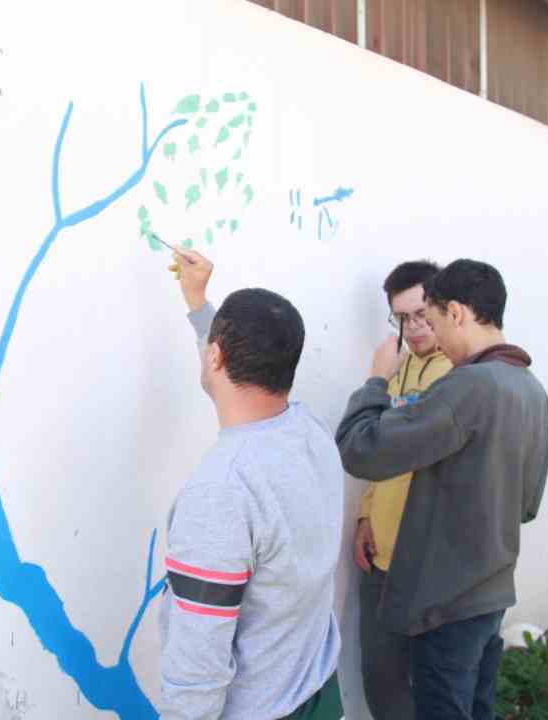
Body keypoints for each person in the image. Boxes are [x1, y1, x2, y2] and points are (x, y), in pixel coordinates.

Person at [336, 259, 548, 720]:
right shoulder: (530, 388)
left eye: (429, 321)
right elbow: (527, 504)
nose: (421, 333)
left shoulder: (467, 385)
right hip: (490, 593)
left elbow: (361, 449)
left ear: (455, 314)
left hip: (446, 601)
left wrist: (376, 379)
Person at [158, 246, 344, 720]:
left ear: (215, 356)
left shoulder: (222, 492)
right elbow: (241, 378)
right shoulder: (310, 433)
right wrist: (200, 307)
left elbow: (197, 665)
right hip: (319, 695)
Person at [355, 261, 453, 720]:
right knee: (380, 677)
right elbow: (379, 448)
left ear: (442, 307)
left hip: (428, 559)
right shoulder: (399, 365)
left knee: (434, 686)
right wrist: (364, 516)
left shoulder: (457, 372)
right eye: (401, 318)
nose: (412, 328)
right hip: (380, 555)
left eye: (420, 314)